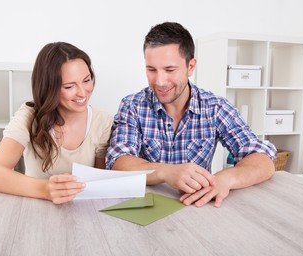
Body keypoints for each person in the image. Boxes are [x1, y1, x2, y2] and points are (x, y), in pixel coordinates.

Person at [106, 22, 277, 208]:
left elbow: (263, 160)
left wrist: (226, 179)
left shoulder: (215, 107)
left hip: (197, 208)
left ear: (191, 66)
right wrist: (165, 172)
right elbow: (118, 162)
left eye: (170, 70)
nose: (160, 81)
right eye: (151, 70)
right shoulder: (132, 105)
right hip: (147, 208)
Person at [0, 42, 113, 204]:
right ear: (49, 88)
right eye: (69, 86)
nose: (82, 92)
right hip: (36, 213)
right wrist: (46, 189)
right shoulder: (29, 116)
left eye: (86, 80)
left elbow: (98, 183)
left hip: (83, 215)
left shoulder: (103, 121)